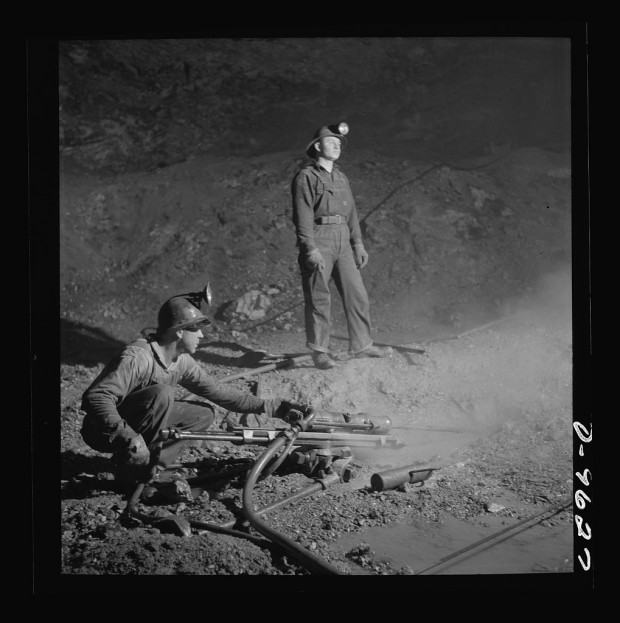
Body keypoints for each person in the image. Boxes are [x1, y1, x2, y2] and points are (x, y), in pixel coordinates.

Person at [80, 289, 307, 487]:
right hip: (104, 432)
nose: (201, 335)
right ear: (179, 332)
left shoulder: (182, 361)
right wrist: (128, 437)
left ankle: (154, 469)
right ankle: (131, 476)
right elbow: (97, 397)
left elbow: (220, 392)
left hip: (137, 422)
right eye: (196, 329)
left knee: (202, 413)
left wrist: (275, 407)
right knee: (163, 393)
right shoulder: (138, 357)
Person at [291, 122, 393, 370]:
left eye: (339, 143)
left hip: (343, 239)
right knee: (319, 297)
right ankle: (319, 351)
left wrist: (358, 243)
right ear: (317, 146)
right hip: (320, 236)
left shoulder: (341, 177)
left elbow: (352, 213)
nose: (337, 145)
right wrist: (310, 248)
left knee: (357, 293)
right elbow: (302, 215)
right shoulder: (307, 177)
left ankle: (362, 346)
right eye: (331, 141)